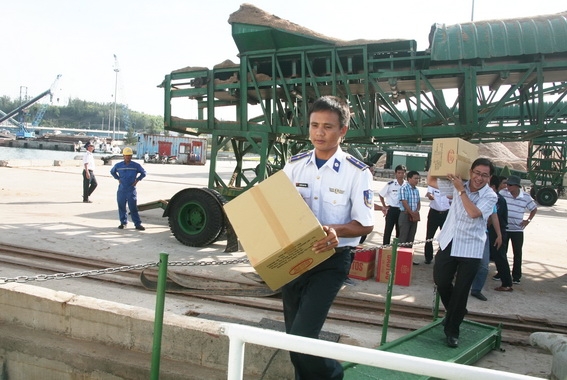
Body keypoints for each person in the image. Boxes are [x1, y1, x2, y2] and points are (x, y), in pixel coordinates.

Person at [281, 95, 374, 379]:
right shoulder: (294, 166)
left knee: (303, 335)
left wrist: (338, 231)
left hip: (330, 262)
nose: (319, 133)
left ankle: (332, 374)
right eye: (314, 125)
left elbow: (365, 225)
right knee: (293, 340)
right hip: (295, 258)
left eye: (328, 127)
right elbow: (278, 206)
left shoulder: (357, 173)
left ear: (343, 130)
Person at [428, 158, 497, 348]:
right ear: (471, 171)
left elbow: (473, 213)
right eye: (476, 173)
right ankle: (455, 313)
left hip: (471, 248)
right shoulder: (459, 183)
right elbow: (431, 181)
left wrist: (461, 190)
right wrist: (440, 160)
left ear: (490, 177)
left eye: (484, 175)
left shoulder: (490, 196)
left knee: (461, 291)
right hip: (449, 240)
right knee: (441, 280)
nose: (479, 178)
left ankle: (452, 331)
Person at [497, 175, 537, 284]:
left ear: (516, 186)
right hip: (504, 229)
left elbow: (534, 209)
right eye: (506, 184)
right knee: (502, 253)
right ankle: (501, 273)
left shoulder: (525, 197)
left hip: (517, 230)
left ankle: (516, 276)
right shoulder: (503, 193)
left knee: (517, 253)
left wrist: (527, 221)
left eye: (510, 185)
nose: (507, 186)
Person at [110, 147, 147, 231]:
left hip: (131, 189)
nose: (128, 157)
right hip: (122, 190)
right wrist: (118, 178)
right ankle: (123, 223)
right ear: (123, 156)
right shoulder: (118, 165)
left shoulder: (135, 165)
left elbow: (143, 173)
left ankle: (137, 224)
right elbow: (112, 172)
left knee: (133, 207)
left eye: (130, 156)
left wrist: (137, 180)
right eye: (127, 156)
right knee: (121, 207)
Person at [488, 176, 513, 292]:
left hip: (497, 231)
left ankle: (507, 283)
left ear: (492, 187)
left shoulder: (497, 199)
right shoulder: (494, 198)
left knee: (500, 257)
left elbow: (493, 217)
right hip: (493, 231)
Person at [378, 164, 407, 245]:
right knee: (388, 230)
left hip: (402, 210)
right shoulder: (390, 184)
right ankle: (385, 247)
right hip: (392, 209)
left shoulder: (407, 185)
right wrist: (384, 206)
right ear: (395, 173)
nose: (401, 175)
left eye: (402, 173)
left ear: (405, 173)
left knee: (399, 230)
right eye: (399, 173)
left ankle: (397, 247)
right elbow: (381, 195)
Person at [423, 185, 451, 264]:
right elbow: (428, 193)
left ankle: (442, 257)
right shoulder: (433, 183)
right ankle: (428, 257)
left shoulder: (450, 185)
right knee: (429, 236)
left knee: (445, 237)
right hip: (434, 213)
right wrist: (430, 195)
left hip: (446, 214)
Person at [398, 170, 421, 249]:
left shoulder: (416, 190)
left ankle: (407, 258)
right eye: (415, 178)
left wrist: (416, 211)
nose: (417, 180)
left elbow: (418, 202)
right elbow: (404, 202)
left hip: (413, 216)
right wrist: (411, 212)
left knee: (411, 238)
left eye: (418, 178)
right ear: (409, 179)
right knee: (403, 238)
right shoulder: (404, 188)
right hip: (405, 215)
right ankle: (400, 258)